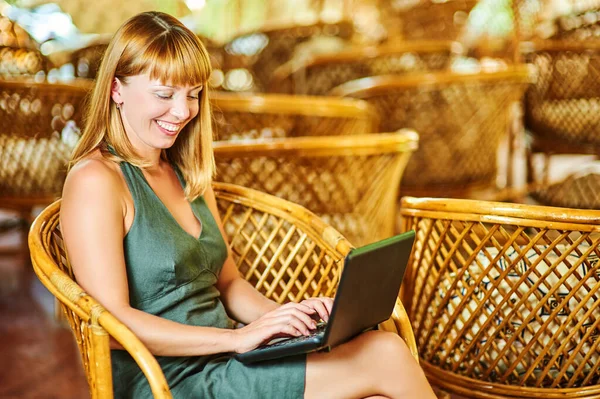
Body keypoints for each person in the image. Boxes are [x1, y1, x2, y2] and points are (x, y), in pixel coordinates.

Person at [60, 11, 437, 399]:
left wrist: (286, 319)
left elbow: (230, 283)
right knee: (385, 354)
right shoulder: (96, 181)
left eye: (193, 94)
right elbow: (110, 322)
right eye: (164, 94)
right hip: (168, 381)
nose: (182, 111)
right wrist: (235, 339)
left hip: (229, 357)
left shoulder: (186, 172)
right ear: (116, 90)